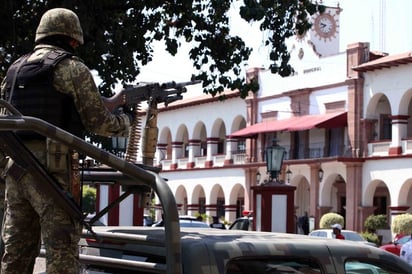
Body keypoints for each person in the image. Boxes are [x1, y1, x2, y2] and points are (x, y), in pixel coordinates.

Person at [0, 8, 131, 274]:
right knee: (62, 255)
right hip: (53, 172)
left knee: (16, 254)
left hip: (16, 169)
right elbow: (99, 122)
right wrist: (125, 123)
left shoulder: (14, 69)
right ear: (72, 38)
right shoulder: (72, 68)